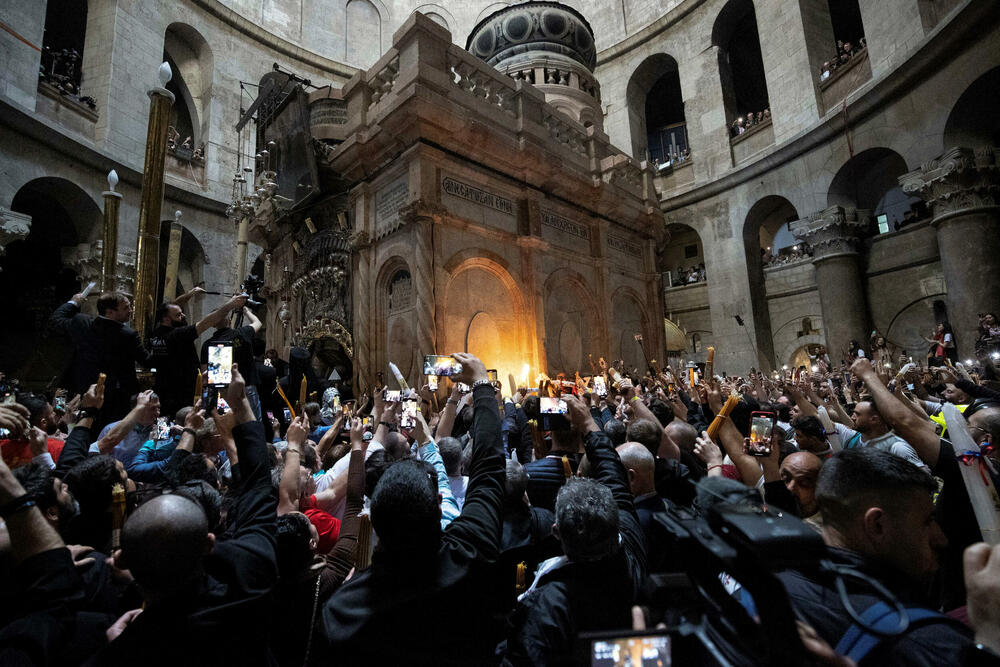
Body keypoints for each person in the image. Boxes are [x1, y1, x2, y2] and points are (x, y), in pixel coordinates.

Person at [323, 353, 506, 664]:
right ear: (438, 505)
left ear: (374, 523)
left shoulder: (342, 612)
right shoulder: (470, 554)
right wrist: (483, 387)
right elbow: (488, 470)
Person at [90, 365, 278, 665]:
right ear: (209, 544)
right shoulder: (249, 582)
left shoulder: (119, 645)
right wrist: (241, 405)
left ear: (121, 561)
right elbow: (259, 489)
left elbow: (172, 480)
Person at [777, 449, 975, 665]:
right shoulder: (928, 644)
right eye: (927, 521)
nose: (940, 538)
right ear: (877, 525)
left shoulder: (772, 588)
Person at [503, 395, 646, 664]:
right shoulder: (631, 556)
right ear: (615, 518)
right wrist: (590, 424)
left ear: (557, 533)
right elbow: (614, 476)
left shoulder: (546, 604)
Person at [48, 291, 151, 424]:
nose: (131, 310)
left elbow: (56, 320)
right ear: (109, 312)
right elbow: (147, 361)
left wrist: (74, 302)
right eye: (126, 308)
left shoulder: (81, 323)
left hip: (85, 393)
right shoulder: (127, 334)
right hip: (117, 399)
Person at [149, 290, 247, 416]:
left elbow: (170, 306)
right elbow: (207, 322)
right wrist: (230, 304)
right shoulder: (178, 335)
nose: (183, 316)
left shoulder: (156, 333)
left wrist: (189, 294)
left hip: (163, 387)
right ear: (167, 319)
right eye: (178, 315)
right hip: (181, 392)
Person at [201, 306, 262, 419]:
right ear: (229, 319)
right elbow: (258, 322)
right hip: (246, 386)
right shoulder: (243, 333)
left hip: (221, 390)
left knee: (226, 423)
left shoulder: (208, 344)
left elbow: (205, 374)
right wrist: (246, 310)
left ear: (213, 325)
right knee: (252, 421)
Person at [1, 393, 66, 469]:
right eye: (52, 413)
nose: (54, 414)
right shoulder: (59, 448)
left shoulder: (2, 447)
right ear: (43, 422)